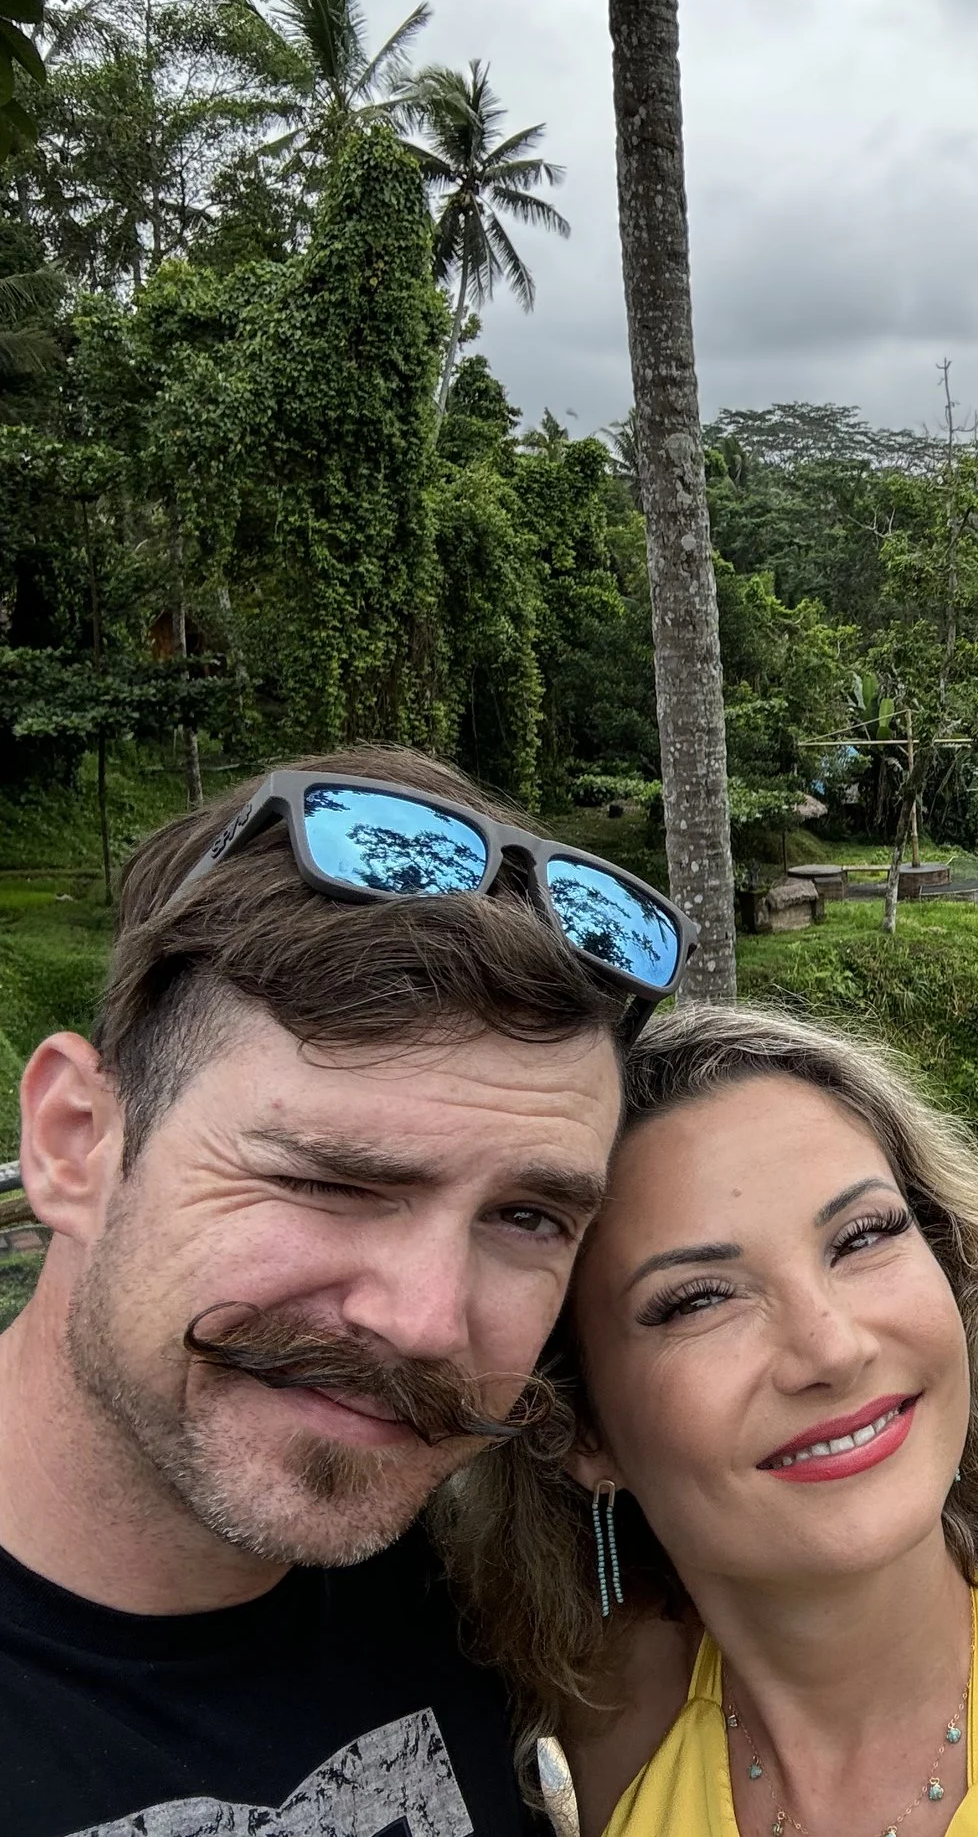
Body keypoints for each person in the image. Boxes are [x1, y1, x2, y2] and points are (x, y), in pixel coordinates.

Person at [0, 747, 687, 1837]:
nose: (423, 1323)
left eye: (526, 1218)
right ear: (73, 1144)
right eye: (329, 1179)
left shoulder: (490, 1600)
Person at [434, 1004, 978, 1837]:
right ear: (579, 1429)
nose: (831, 1348)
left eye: (862, 1237)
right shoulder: (601, 1720)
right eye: (700, 1297)